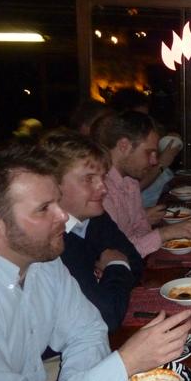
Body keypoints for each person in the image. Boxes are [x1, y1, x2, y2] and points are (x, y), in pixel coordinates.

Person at [0, 142, 191, 381]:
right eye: (44, 208)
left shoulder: (44, 263)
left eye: (57, 201)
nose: (62, 216)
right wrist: (125, 363)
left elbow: (88, 330)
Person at [40, 130, 143, 332]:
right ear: (53, 185)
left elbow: (136, 263)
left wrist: (108, 279)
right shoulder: (50, 241)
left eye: (103, 177)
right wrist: (116, 264)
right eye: (89, 179)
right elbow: (105, 317)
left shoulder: (96, 219)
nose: (103, 188)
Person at [92, 111, 191, 258]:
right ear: (124, 146)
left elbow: (142, 227)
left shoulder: (130, 182)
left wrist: (158, 236)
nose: (154, 161)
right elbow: (116, 254)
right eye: (149, 152)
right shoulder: (100, 190)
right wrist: (165, 233)